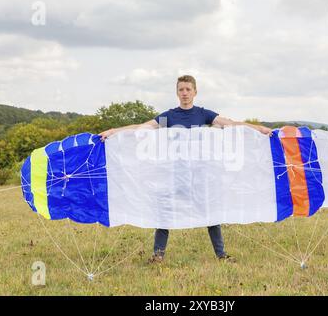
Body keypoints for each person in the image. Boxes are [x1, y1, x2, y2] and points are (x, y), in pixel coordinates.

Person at [99, 75, 272, 263]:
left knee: (210, 213)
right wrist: (114, 132)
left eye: (188, 89)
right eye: (181, 89)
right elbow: (141, 128)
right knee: (164, 212)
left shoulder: (203, 114)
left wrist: (258, 128)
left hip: (200, 176)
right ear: (177, 92)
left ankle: (221, 255)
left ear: (195, 92)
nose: (185, 93)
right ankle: (158, 255)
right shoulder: (169, 116)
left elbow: (230, 124)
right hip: (175, 174)